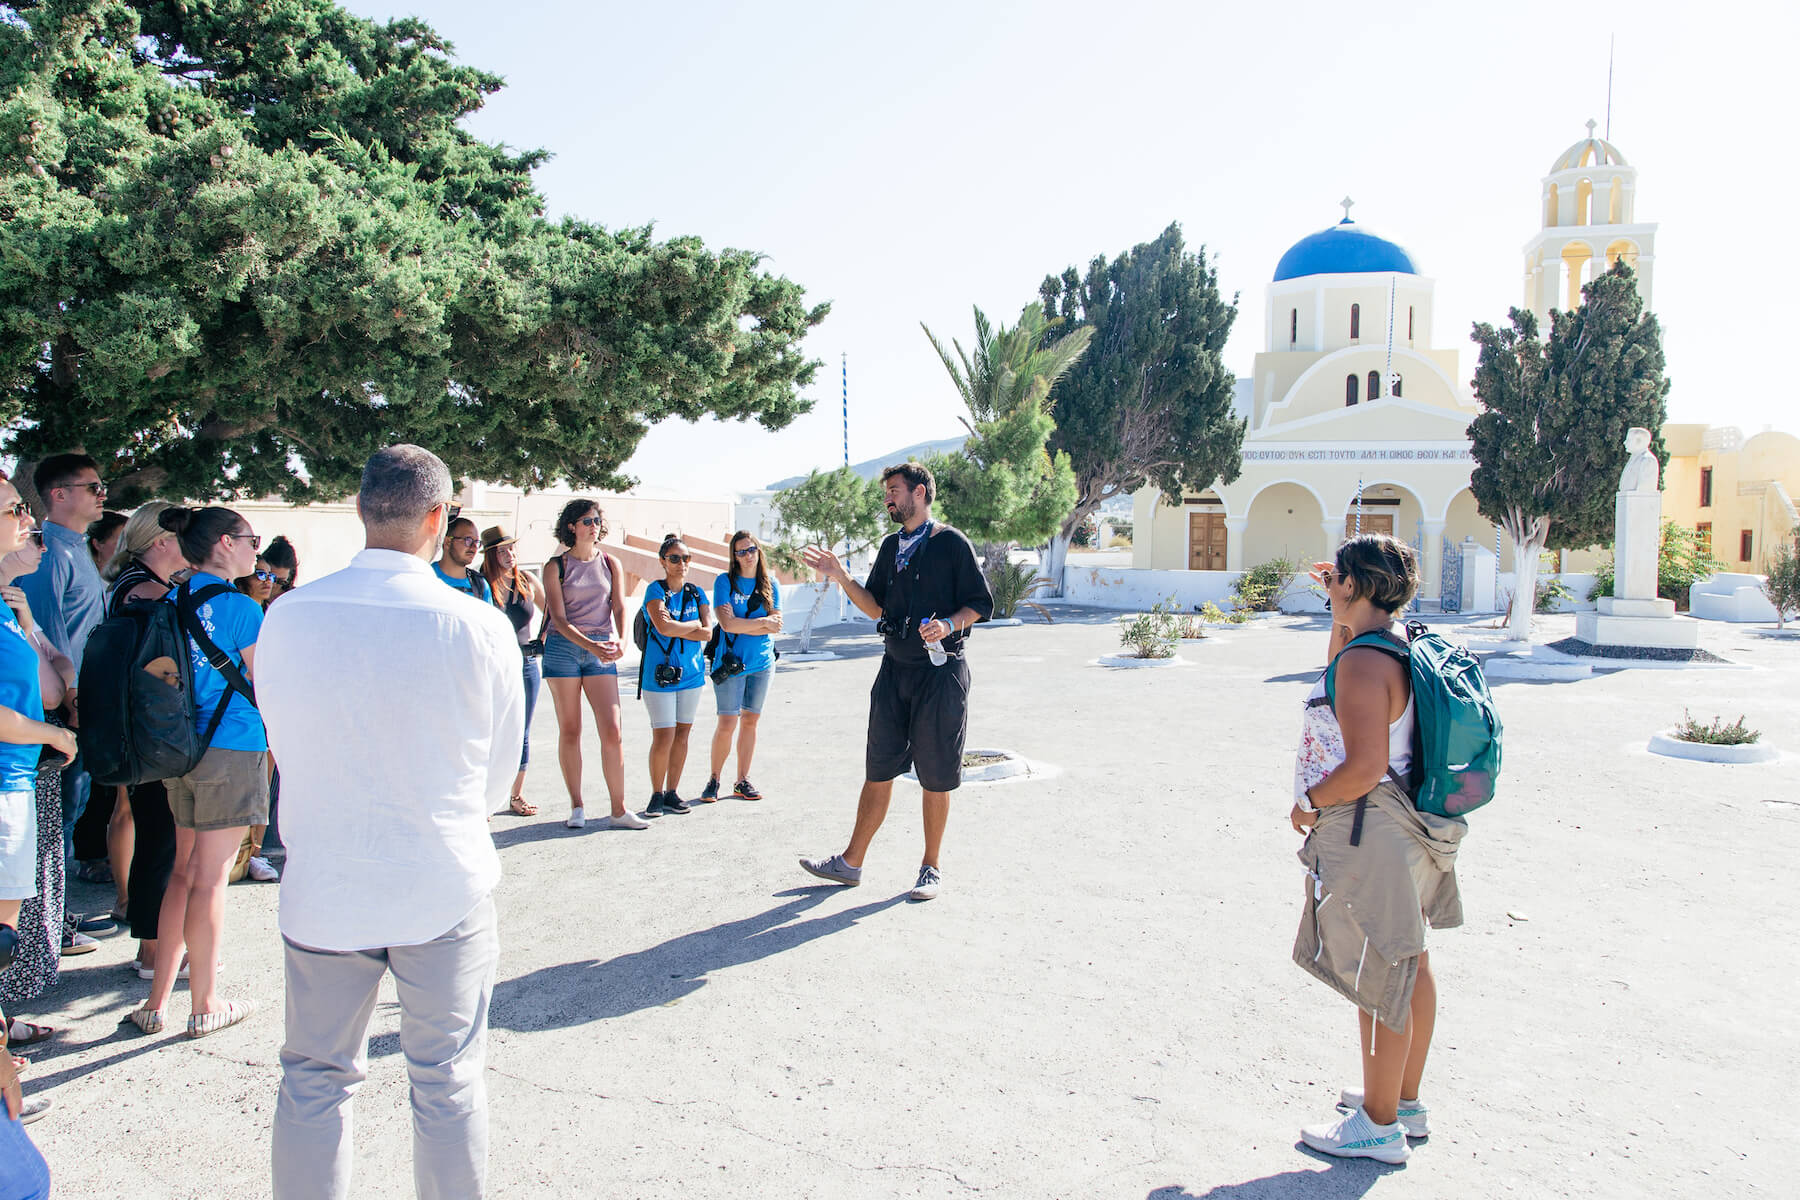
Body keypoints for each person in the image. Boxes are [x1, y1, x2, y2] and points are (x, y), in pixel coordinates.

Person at [260, 445, 523, 1200]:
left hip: (325, 878)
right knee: (447, 1081)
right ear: (440, 518)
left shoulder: (288, 616)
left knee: (314, 1078)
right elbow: (500, 774)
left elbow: (282, 737)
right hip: (440, 877)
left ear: (360, 507)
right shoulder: (476, 623)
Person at [1288, 535, 1465, 1165]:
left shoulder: (1366, 663)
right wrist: (1338, 603)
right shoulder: (1392, 643)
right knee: (1408, 959)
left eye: (1337, 576)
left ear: (1358, 587)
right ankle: (1401, 1099)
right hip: (1410, 824)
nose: (1329, 583)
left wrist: (1310, 802)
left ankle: (1379, 1126)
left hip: (1372, 827)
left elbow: (1362, 765)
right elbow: (1337, 679)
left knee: (1378, 972)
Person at [798, 462, 993, 902]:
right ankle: (851, 863)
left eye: (894, 490)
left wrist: (948, 624)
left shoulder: (951, 543)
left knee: (937, 775)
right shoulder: (890, 547)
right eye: (886, 491)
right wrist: (840, 574)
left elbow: (981, 602)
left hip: (940, 677)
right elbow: (876, 608)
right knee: (879, 768)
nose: (887, 498)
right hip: (894, 674)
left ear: (919, 493)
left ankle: (930, 867)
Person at [128, 505, 267, 1038]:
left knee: (183, 872)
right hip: (231, 747)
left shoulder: (169, 597)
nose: (257, 547)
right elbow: (265, 682)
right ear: (225, 544)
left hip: (180, 750)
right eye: (250, 538)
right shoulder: (239, 608)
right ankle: (206, 1002)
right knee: (211, 880)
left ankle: (156, 999)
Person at [0, 475, 78, 1128]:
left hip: (16, 786)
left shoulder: (9, 605)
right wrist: (51, 734)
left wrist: (26, 619)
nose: (27, 518)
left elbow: (54, 684)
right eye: (14, 509)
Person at [103, 503, 189, 978]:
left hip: (135, 729)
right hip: (153, 732)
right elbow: (162, 669)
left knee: (156, 834)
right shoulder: (148, 592)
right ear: (160, 541)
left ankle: (155, 946)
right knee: (161, 840)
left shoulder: (127, 583)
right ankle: (154, 951)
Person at [18, 454, 107, 889]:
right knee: (59, 815)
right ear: (59, 494)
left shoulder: (76, 548)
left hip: (79, 699)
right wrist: (71, 700)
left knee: (73, 807)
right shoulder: (50, 553)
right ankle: (50, 919)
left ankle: (57, 916)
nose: (102, 494)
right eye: (93, 487)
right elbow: (47, 636)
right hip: (58, 705)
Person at [539, 500, 640, 830]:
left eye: (597, 520)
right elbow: (559, 617)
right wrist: (592, 646)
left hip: (601, 649)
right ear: (572, 526)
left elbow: (621, 608)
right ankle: (577, 805)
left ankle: (618, 809)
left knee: (612, 730)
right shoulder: (555, 566)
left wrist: (622, 642)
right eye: (586, 520)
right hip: (564, 649)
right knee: (571, 729)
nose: (593, 525)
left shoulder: (611, 563)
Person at [700, 531, 781, 803]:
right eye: (741, 552)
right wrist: (762, 624)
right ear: (734, 557)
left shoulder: (771, 584)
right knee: (726, 722)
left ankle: (742, 780)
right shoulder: (725, 582)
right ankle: (714, 779)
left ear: (759, 551)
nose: (748, 556)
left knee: (750, 721)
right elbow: (727, 624)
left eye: (751, 550)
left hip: (762, 663)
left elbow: (777, 624)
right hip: (731, 664)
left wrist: (754, 625)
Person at [640, 535, 711, 816]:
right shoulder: (655, 591)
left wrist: (683, 626)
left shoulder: (697, 592)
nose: (681, 563)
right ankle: (656, 794)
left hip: (692, 675)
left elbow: (708, 632)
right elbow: (663, 627)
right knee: (663, 736)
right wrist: (692, 625)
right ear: (663, 561)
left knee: (683, 734)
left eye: (686, 558)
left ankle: (672, 792)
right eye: (674, 558)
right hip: (659, 677)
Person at [480, 526, 544, 817]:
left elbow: (554, 610)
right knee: (489, 729)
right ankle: (486, 796)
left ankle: (516, 794)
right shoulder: (479, 583)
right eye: (502, 551)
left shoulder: (527, 580)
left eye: (512, 549)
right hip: (493, 665)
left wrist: (542, 639)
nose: (510, 555)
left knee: (522, 731)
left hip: (526, 663)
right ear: (491, 555)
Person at [433, 517, 491, 603]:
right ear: (447, 542)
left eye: (477, 542)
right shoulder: (426, 577)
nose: (474, 547)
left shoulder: (480, 585)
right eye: (468, 540)